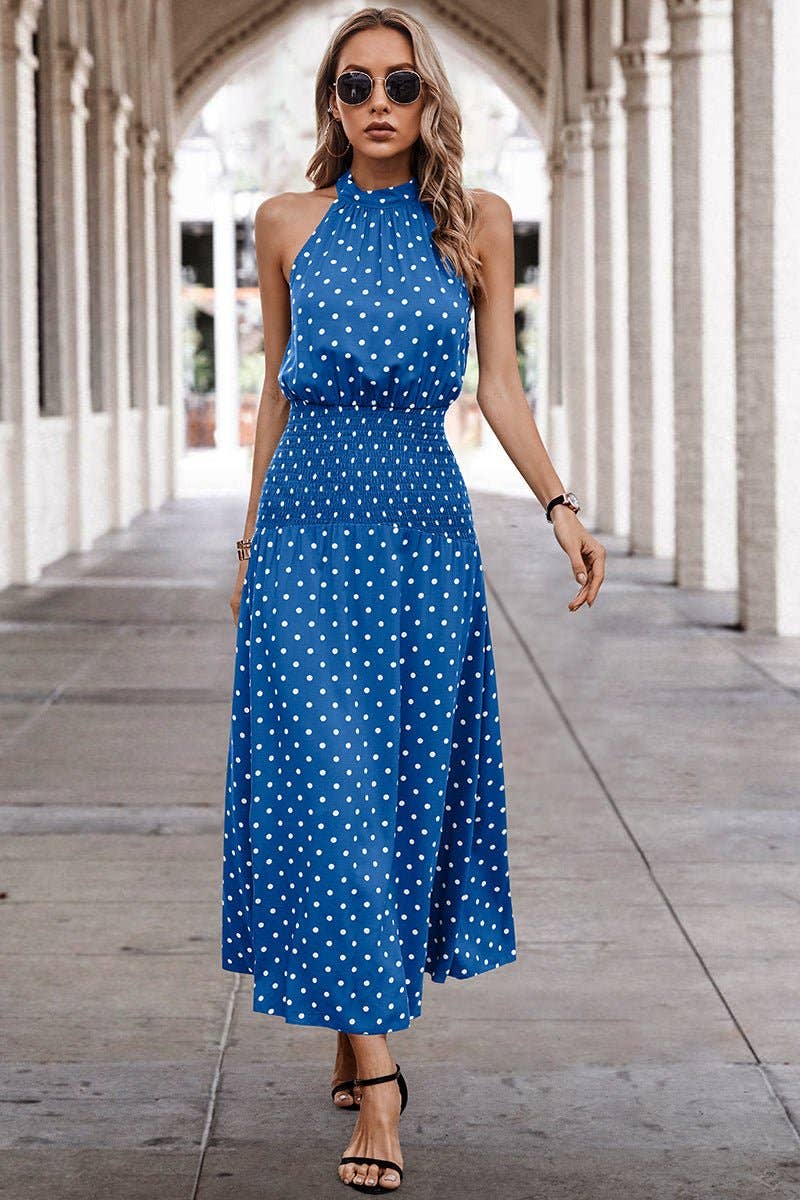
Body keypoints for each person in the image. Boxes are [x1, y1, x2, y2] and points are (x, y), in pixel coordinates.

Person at [221, 6, 606, 1193]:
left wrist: (556, 505)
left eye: (398, 84)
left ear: (428, 98)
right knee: (330, 794)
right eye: (354, 86)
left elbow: (499, 387)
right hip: (303, 539)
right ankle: (380, 1087)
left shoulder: (476, 222)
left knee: (392, 799)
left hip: (424, 543)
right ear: (330, 104)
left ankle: (352, 1030)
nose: (377, 103)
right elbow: (276, 394)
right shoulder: (284, 222)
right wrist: (247, 542)